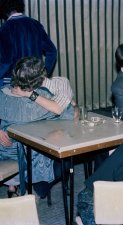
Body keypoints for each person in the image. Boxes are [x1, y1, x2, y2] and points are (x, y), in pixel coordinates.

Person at [0, 57, 77, 198]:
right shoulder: (40, 99)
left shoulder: (3, 92)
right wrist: (72, 103)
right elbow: (66, 112)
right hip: (25, 153)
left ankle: (14, 184)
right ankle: (36, 189)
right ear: (39, 80)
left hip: (4, 149)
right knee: (63, 159)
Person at [0, 0, 57, 87]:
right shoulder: (36, 24)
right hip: (35, 81)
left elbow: (6, 62)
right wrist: (44, 72)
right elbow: (52, 51)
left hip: (12, 83)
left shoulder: (5, 29)